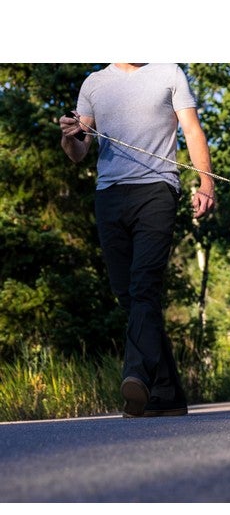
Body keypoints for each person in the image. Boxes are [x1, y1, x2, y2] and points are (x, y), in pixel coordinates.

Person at [59, 63, 215, 417]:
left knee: (144, 285)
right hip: (109, 194)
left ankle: (136, 375)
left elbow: (191, 130)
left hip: (157, 190)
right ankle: (168, 394)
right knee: (127, 294)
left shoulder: (169, 73)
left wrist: (206, 183)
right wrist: (70, 136)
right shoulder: (94, 83)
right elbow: (79, 151)